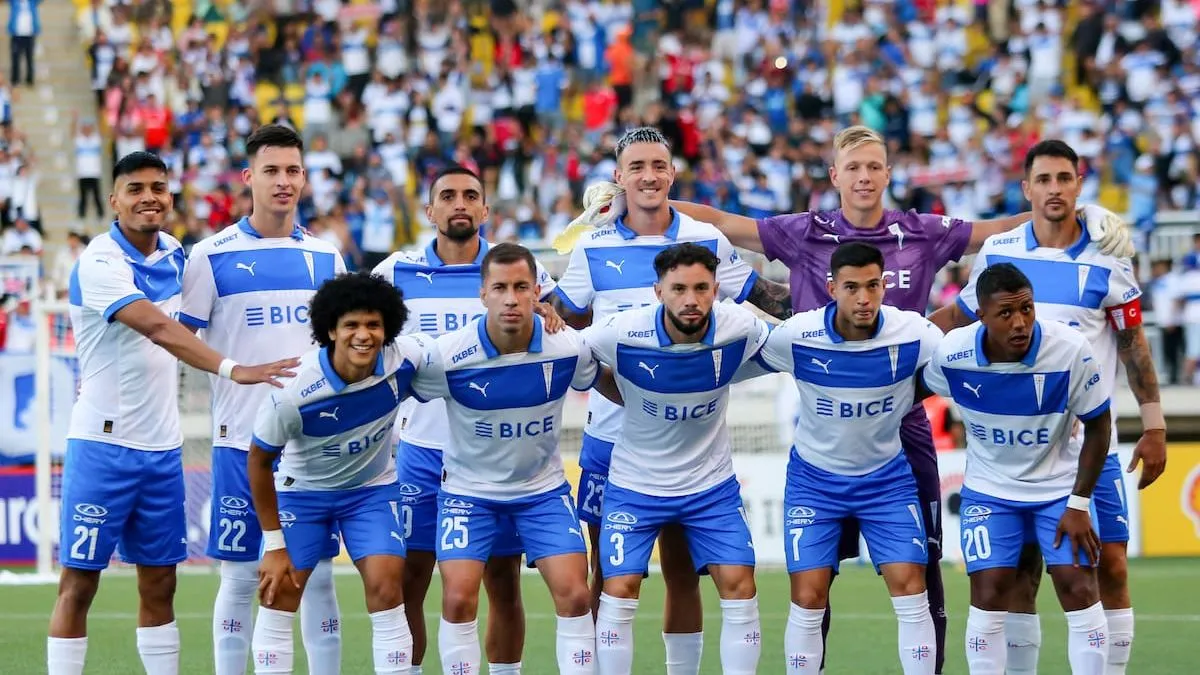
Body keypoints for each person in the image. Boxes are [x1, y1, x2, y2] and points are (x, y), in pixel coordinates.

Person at [667, 125, 1134, 674]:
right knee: (813, 585)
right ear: (835, 176)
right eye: (854, 167)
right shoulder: (802, 233)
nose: (865, 177)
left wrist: (1082, 216)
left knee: (922, 568)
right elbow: (720, 223)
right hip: (824, 427)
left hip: (904, 428)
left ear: (888, 174)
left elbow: (994, 233)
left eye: (875, 167)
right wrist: (645, 197)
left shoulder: (923, 232)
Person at [552, 126, 790, 674]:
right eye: (636, 166)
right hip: (612, 438)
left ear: (672, 174)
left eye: (658, 165)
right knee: (607, 574)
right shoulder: (595, 246)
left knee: (684, 570)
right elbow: (560, 319)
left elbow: (768, 301)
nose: (649, 176)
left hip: (689, 440)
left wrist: (838, 313)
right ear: (618, 178)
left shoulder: (709, 241)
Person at [48, 151, 296, 675]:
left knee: (160, 583)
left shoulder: (176, 254)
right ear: (113, 200)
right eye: (135, 189)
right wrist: (236, 370)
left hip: (162, 452)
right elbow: (160, 329)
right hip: (102, 445)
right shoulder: (99, 262)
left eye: (158, 187)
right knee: (79, 583)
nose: (148, 197)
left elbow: (207, 316)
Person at [930, 139, 1166, 675]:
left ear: (1079, 185)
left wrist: (1154, 426)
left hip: (1088, 447)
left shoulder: (1110, 256)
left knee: (1111, 566)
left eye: (1065, 178)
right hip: (1019, 447)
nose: (1054, 189)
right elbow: (962, 316)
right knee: (1018, 577)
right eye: (1045, 179)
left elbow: (1133, 345)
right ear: (1027, 188)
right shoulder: (1001, 252)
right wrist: (894, 338)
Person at [372, 165, 565, 675]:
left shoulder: (515, 272)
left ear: (485, 210)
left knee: (502, 582)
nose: (460, 203)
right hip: (420, 452)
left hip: (494, 460)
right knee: (410, 579)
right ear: (429, 210)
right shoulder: (395, 273)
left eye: (471, 196)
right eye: (448, 196)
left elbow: (555, 323)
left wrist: (552, 312)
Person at [180, 124, 346, 675]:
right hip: (237, 442)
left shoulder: (327, 258)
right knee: (239, 575)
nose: (283, 182)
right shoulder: (210, 256)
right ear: (249, 178)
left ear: (304, 178)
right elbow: (181, 342)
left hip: (312, 447)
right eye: (271, 171)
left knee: (317, 576)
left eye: (293, 171)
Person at [410, 243, 601, 675]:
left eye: (520, 287)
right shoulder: (447, 356)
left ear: (538, 291)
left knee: (575, 595)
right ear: (482, 294)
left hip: (542, 493)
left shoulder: (566, 346)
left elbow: (606, 380)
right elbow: (397, 386)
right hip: (468, 494)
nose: (511, 299)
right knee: (458, 597)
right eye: (500, 288)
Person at [754, 242, 943, 675]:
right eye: (852, 287)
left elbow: (958, 366)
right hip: (814, 484)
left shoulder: (914, 333)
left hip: (887, 481)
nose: (864, 298)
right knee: (807, 598)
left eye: (873, 286)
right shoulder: (798, 335)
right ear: (831, 288)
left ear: (884, 285)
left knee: (912, 590)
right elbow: (738, 360)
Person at [581, 243, 769, 675]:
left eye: (702, 288)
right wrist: (626, 394)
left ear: (716, 289)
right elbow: (575, 356)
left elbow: (783, 351)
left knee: (740, 585)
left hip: (710, 487)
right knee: (619, 586)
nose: (691, 299)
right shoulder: (622, 331)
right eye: (679, 288)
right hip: (635, 485)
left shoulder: (739, 325)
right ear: (658, 291)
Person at [922, 263, 1115, 674]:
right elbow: (919, 387)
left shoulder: (1069, 348)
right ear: (981, 316)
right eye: (1006, 313)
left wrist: (1079, 503)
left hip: (1060, 492)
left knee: (1078, 587)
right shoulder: (952, 354)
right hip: (990, 492)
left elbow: (1099, 424)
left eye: (1026, 309)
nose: (1020, 322)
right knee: (991, 592)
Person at [248, 271, 427, 675]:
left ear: (388, 329)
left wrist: (541, 315)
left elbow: (461, 351)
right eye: (351, 325)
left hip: (370, 491)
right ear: (331, 329)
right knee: (279, 592)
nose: (363, 335)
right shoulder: (292, 391)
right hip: (302, 494)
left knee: (387, 585)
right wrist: (274, 545)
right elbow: (258, 461)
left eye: (373, 325)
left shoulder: (406, 360)